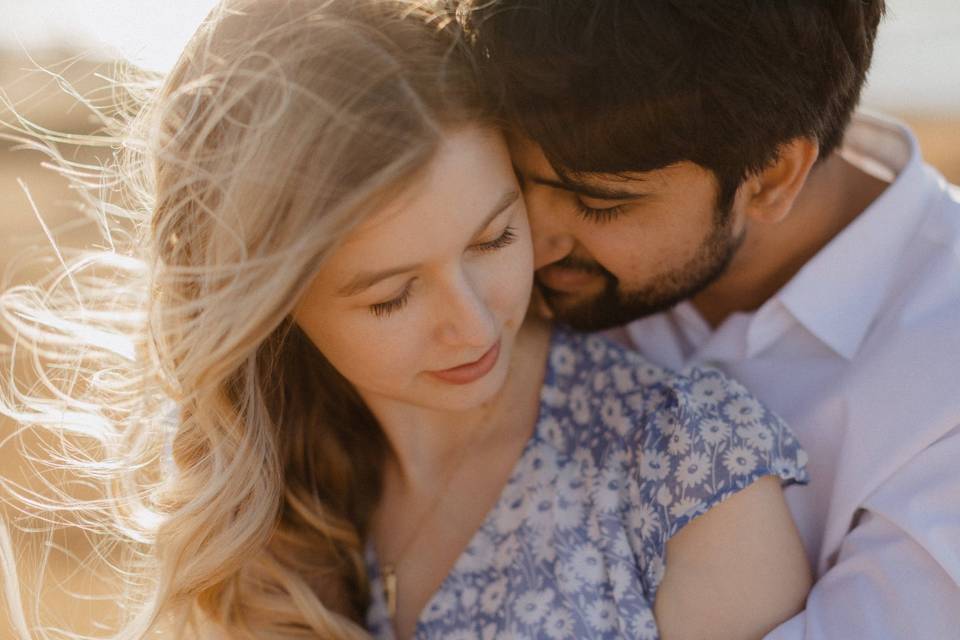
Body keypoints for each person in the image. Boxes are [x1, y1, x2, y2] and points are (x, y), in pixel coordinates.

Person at [0, 1, 811, 639]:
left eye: (494, 237)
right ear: (274, 305)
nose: (473, 324)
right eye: (391, 294)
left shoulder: (686, 465)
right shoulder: (279, 506)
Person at [456, 1, 960, 638]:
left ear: (772, 179)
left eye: (598, 203)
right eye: (520, 179)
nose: (537, 240)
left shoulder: (946, 394)